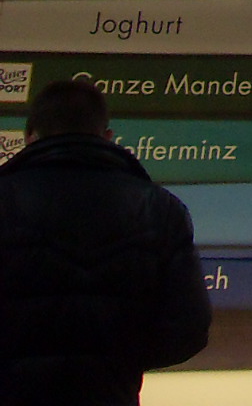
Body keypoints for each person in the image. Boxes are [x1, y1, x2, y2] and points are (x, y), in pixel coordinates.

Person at [0, 77, 210, 404]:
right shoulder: (159, 209)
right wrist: (117, 360)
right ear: (108, 137)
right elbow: (189, 329)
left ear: (30, 137)